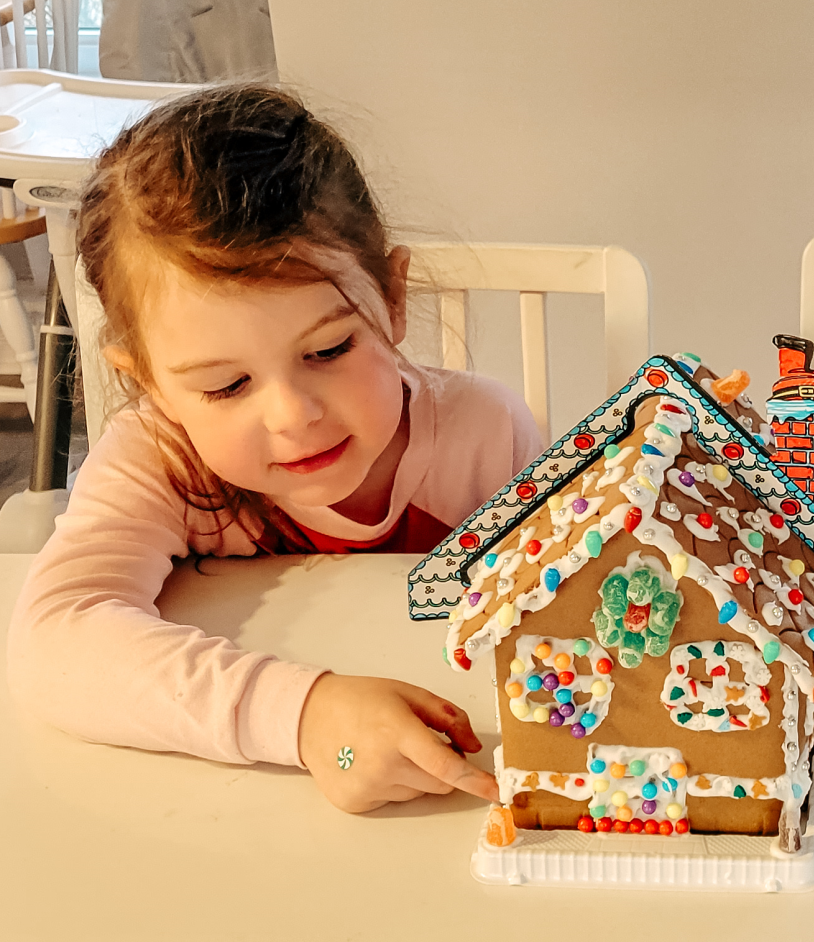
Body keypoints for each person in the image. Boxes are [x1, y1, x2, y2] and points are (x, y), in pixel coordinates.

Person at [7, 85, 543, 812]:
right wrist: (306, 716)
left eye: (328, 349)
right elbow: (56, 643)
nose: (293, 415)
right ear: (151, 384)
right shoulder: (158, 457)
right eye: (227, 386)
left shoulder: (489, 435)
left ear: (392, 298)